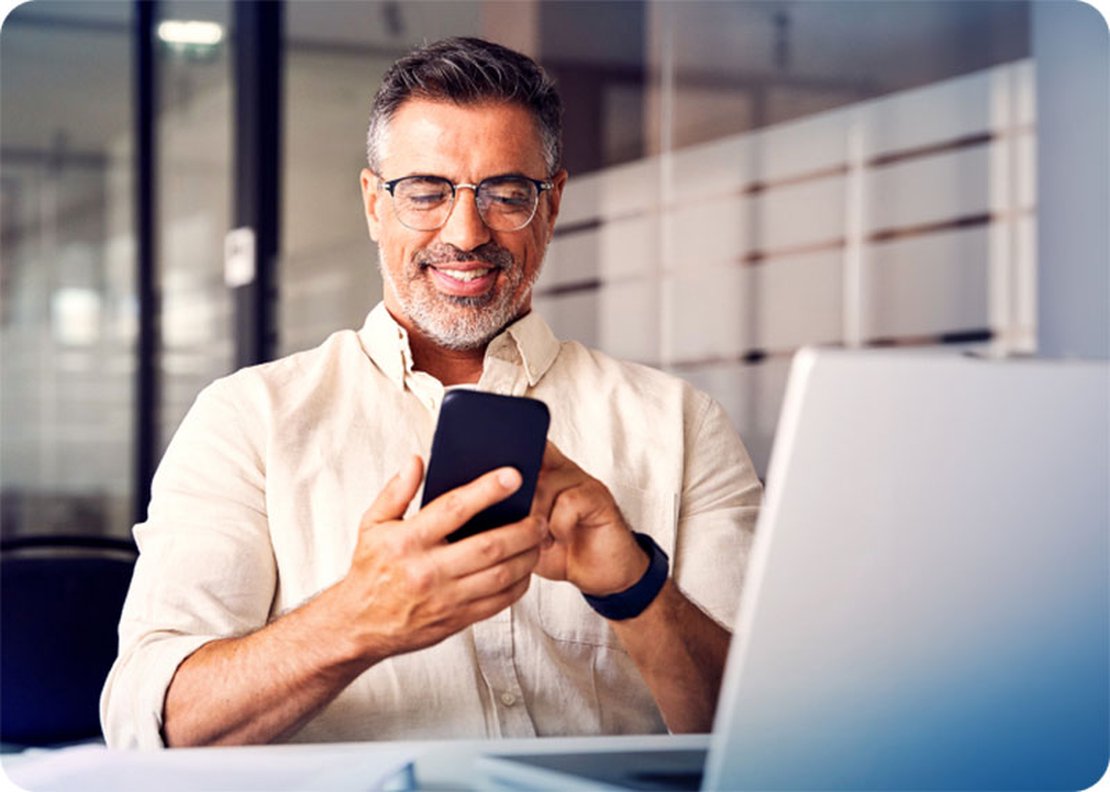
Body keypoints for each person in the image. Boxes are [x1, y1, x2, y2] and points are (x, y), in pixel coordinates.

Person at [101, 37, 762, 749]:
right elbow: (153, 724)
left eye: (507, 194)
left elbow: (780, 732)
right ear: (373, 204)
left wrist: (635, 590)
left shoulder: (681, 424)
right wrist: (357, 619)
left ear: (553, 204)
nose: (466, 232)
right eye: (426, 192)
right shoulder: (248, 420)